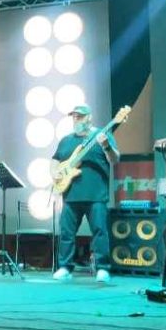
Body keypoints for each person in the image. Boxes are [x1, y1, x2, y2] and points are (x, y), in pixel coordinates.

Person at [50, 104, 120, 283]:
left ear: (89, 117)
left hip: (96, 195)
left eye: (80, 116)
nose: (76, 119)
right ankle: (65, 267)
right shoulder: (66, 140)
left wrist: (106, 146)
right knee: (66, 233)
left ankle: (103, 268)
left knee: (100, 232)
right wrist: (54, 173)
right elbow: (55, 160)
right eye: (74, 116)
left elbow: (115, 159)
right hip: (71, 194)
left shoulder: (102, 136)